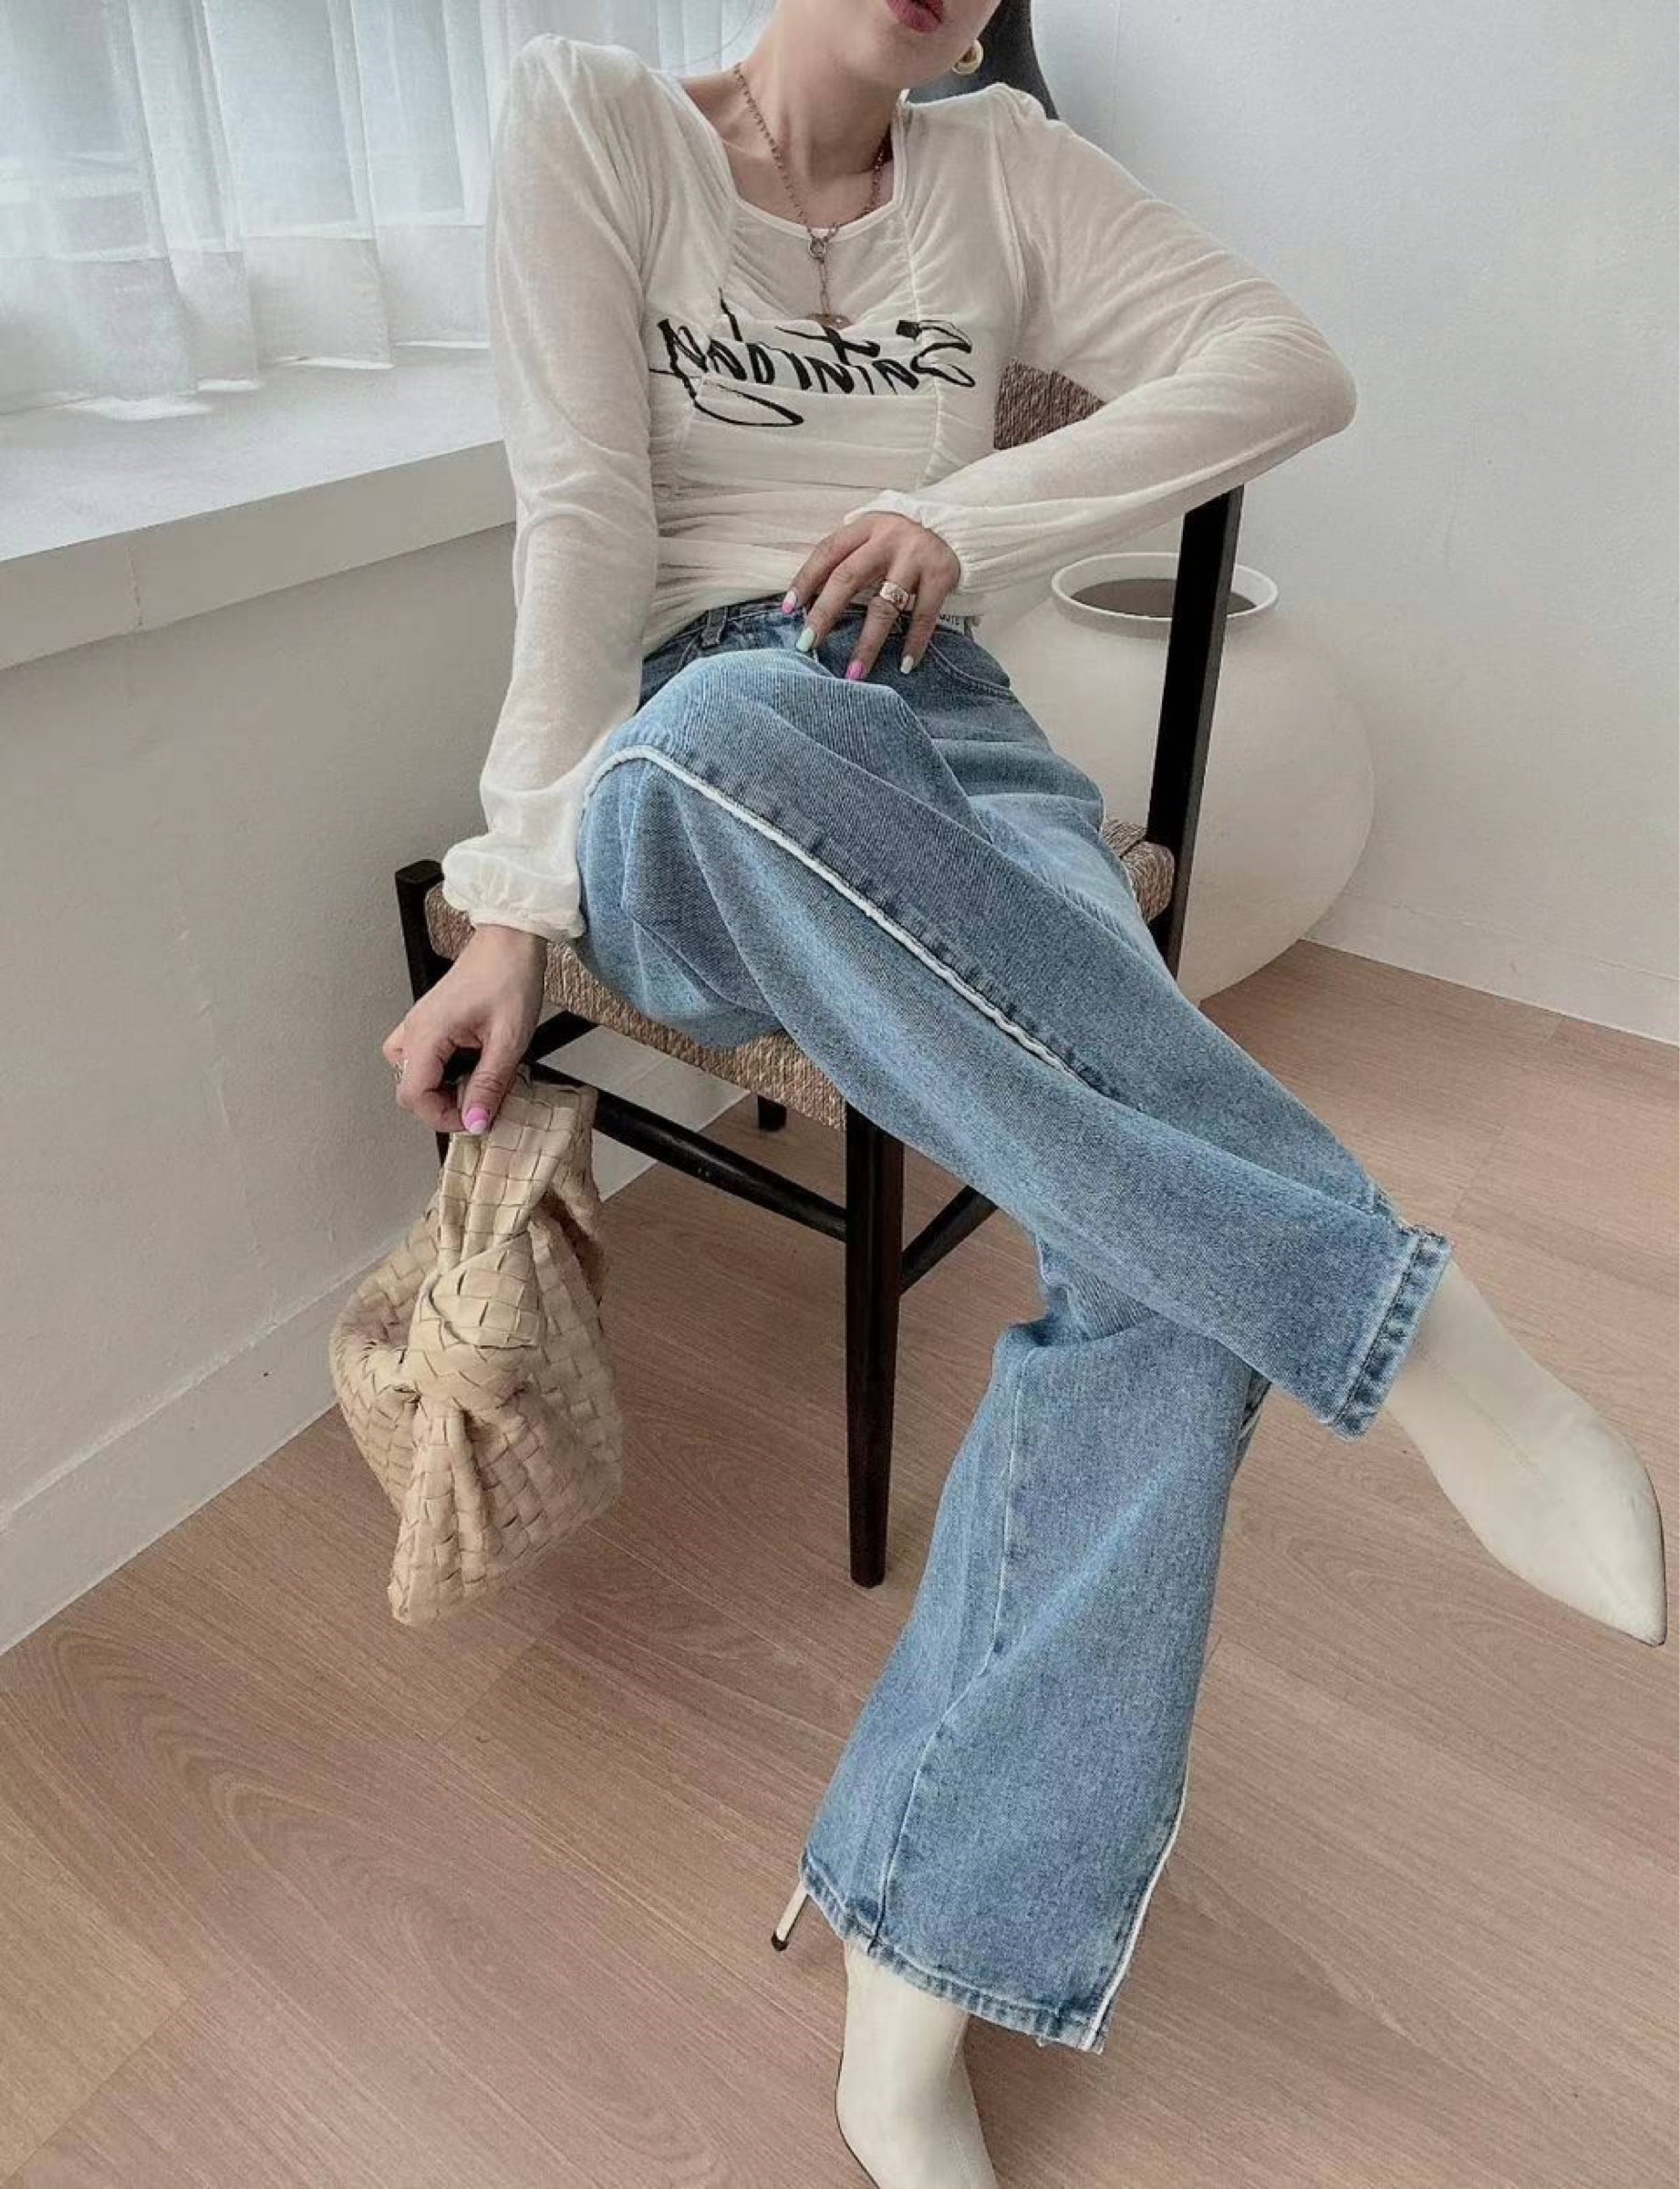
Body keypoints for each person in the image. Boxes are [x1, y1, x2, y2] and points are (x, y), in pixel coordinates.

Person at [380, 8, 1668, 2184]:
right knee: (714, 744)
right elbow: (581, 515)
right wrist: (512, 895)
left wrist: (949, 515)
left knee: (1163, 1283)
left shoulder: (1006, 174)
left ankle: (917, 1970)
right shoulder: (589, 120)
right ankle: (1410, 1323)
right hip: (706, 760)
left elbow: (1285, 369)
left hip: (957, 736)